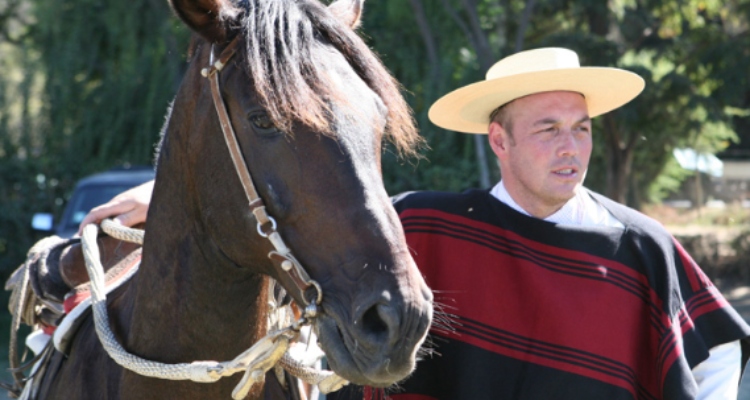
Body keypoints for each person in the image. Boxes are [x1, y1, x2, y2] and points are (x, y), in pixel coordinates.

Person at [78, 48, 750, 399]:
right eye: (547, 129)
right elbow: (324, 203)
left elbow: (715, 356)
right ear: (500, 140)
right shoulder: (430, 229)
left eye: (580, 128)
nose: (570, 147)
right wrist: (165, 190)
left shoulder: (641, 248)